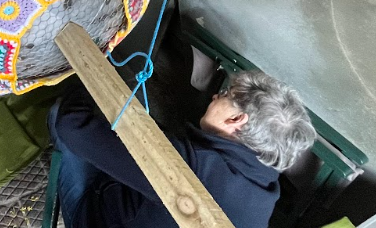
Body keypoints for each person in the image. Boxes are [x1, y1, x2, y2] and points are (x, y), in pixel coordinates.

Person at [50, 70, 316, 228]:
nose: (215, 96)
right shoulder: (266, 190)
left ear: (237, 120)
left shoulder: (195, 169)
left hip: (98, 219)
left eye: (224, 94)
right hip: (152, 211)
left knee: (60, 114)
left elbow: (72, 126)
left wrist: (81, 79)